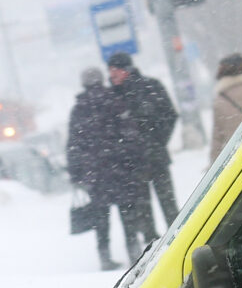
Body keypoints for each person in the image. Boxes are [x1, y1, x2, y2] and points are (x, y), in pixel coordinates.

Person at [66, 67, 150, 269]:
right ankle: (134, 252)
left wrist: (76, 173)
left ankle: (104, 256)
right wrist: (136, 160)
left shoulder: (79, 109)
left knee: (101, 218)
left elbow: (74, 144)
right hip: (120, 168)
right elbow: (131, 133)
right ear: (101, 80)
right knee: (127, 213)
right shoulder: (114, 101)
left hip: (95, 173)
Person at [106, 51, 179, 230]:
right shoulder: (111, 97)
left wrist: (158, 139)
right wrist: (122, 148)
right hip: (132, 163)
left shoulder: (150, 86)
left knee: (169, 206)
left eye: (115, 70)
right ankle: (152, 243)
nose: (112, 75)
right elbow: (108, 130)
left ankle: (179, 237)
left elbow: (170, 114)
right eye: (110, 70)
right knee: (143, 211)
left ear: (127, 69)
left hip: (155, 156)